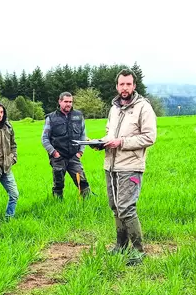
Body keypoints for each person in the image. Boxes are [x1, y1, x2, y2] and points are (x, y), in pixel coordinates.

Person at [100, 69, 157, 260]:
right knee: (115, 206)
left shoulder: (143, 107)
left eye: (128, 84)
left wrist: (121, 142)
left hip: (130, 165)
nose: (124, 88)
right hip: (111, 165)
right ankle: (121, 246)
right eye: (121, 84)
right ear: (117, 86)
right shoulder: (114, 108)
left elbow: (150, 137)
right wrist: (101, 143)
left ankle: (139, 251)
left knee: (126, 207)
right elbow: (110, 134)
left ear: (134, 86)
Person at [41, 92, 91, 198]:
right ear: (60, 102)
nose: (68, 104)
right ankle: (57, 204)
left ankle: (88, 202)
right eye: (66, 101)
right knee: (58, 184)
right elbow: (44, 139)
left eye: (70, 102)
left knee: (82, 182)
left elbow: (83, 135)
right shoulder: (51, 118)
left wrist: (80, 152)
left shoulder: (78, 116)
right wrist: (54, 153)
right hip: (58, 157)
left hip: (74, 156)